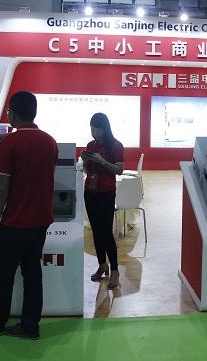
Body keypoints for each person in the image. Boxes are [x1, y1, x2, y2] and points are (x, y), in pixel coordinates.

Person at [0, 91, 58, 340]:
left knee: (3, 275)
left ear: (13, 114)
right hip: (41, 220)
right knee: (32, 273)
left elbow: (2, 188)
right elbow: (27, 143)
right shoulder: (50, 142)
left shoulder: (10, 145)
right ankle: (30, 326)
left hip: (16, 221)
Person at [82, 113, 124, 289]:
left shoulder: (116, 145)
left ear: (105, 129)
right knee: (96, 231)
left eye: (97, 129)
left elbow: (119, 170)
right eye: (92, 129)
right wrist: (85, 161)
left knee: (106, 232)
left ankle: (115, 270)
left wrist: (102, 161)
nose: (94, 133)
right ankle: (102, 265)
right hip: (90, 191)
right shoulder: (90, 145)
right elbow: (86, 169)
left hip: (106, 193)